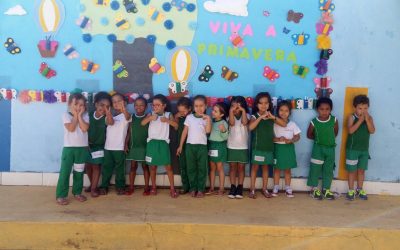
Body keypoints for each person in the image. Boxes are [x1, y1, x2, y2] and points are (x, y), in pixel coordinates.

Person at [248, 92, 287, 199]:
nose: (263, 105)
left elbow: (284, 124)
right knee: (255, 168)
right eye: (261, 103)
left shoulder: (271, 117)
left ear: (269, 104)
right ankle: (252, 189)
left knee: (266, 169)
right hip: (257, 148)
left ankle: (264, 189)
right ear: (256, 105)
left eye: (266, 103)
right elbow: (250, 127)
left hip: (269, 148)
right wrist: (260, 117)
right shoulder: (254, 116)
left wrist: (273, 117)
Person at [142, 94, 179, 198]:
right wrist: (149, 118)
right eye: (153, 105)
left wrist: (167, 121)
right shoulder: (150, 114)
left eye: (157, 105)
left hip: (163, 143)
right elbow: (142, 123)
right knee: (152, 167)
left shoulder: (168, 114)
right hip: (152, 143)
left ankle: (172, 188)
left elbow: (176, 126)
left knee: (168, 167)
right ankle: (153, 187)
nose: (155, 107)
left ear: (164, 105)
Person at [56, 93, 89, 205]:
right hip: (69, 149)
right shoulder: (65, 115)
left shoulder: (85, 116)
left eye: (81, 105)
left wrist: (79, 116)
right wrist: (75, 116)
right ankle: (61, 195)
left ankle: (77, 192)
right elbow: (71, 128)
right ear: (69, 104)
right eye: (76, 104)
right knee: (65, 172)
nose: (78, 107)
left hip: (81, 150)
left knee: (79, 172)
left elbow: (84, 128)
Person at [177, 95, 212, 198]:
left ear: (205, 106)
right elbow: (184, 132)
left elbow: (208, 131)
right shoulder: (189, 117)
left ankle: (200, 189)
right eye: (196, 106)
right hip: (190, 147)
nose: (199, 108)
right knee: (191, 168)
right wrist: (180, 146)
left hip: (202, 147)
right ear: (193, 107)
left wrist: (208, 119)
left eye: (201, 106)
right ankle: (193, 188)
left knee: (202, 168)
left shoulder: (206, 118)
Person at [99, 93, 131, 195]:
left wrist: (124, 109)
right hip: (108, 147)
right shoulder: (109, 116)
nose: (116, 103)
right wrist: (108, 113)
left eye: (119, 101)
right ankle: (104, 186)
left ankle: (120, 187)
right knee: (107, 168)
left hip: (120, 147)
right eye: (114, 102)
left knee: (120, 169)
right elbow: (111, 122)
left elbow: (127, 117)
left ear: (124, 103)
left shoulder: (126, 116)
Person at [307, 97, 339, 200]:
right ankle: (314, 189)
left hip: (330, 150)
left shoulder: (334, 120)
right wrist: (319, 141)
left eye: (327, 109)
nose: (324, 111)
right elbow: (309, 135)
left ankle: (326, 189)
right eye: (322, 109)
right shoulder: (314, 122)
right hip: (318, 149)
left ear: (330, 109)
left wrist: (327, 141)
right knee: (315, 169)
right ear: (317, 109)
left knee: (328, 170)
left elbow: (335, 133)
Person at [345, 95, 375, 201]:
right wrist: (360, 120)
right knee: (352, 171)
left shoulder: (369, 118)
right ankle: (351, 190)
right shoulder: (351, 117)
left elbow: (372, 131)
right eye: (360, 108)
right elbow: (350, 131)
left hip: (364, 150)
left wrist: (367, 120)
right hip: (352, 150)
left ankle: (360, 189)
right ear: (355, 108)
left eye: (365, 108)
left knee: (361, 171)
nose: (363, 111)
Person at [85, 92, 112, 198]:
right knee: (88, 166)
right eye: (102, 105)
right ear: (96, 104)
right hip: (87, 145)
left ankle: (93, 188)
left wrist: (108, 113)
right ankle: (92, 184)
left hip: (99, 146)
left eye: (107, 106)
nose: (104, 108)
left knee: (96, 166)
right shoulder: (88, 115)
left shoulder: (106, 118)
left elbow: (110, 122)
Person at [272, 100, 301, 198]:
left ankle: (288, 188)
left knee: (288, 170)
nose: (283, 113)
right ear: (277, 111)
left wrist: (291, 140)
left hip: (288, 149)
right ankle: (275, 187)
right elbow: (270, 138)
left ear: (290, 112)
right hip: (277, 149)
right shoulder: (274, 123)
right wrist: (278, 139)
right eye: (281, 110)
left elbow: (297, 136)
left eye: (286, 111)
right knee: (277, 169)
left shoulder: (292, 124)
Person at [125, 97, 151, 196]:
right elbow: (128, 132)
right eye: (136, 105)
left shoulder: (148, 117)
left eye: (141, 105)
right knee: (133, 167)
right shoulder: (132, 117)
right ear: (134, 106)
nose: (138, 107)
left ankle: (146, 187)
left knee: (145, 167)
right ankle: (131, 187)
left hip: (145, 146)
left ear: (146, 106)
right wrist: (125, 144)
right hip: (134, 146)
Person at [227, 96, 250, 199]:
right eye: (233, 105)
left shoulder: (247, 115)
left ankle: (240, 187)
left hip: (243, 146)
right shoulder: (229, 116)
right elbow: (231, 123)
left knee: (241, 168)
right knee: (232, 167)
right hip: (231, 145)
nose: (235, 108)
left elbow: (245, 122)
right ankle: (232, 186)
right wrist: (231, 112)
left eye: (238, 105)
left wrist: (243, 111)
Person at [207, 102, 229, 195]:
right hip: (211, 145)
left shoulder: (224, 123)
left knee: (219, 168)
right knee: (212, 168)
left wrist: (223, 130)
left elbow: (225, 137)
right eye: (213, 110)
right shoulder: (211, 121)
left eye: (215, 111)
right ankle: (211, 188)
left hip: (220, 146)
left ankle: (221, 188)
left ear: (222, 114)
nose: (213, 112)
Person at [174, 97, 192, 194]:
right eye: (180, 111)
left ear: (189, 108)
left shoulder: (193, 117)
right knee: (183, 166)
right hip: (181, 145)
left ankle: (193, 187)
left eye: (184, 111)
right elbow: (176, 128)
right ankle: (185, 186)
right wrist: (176, 117)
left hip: (191, 145)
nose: (182, 113)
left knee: (192, 166)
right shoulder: (179, 117)